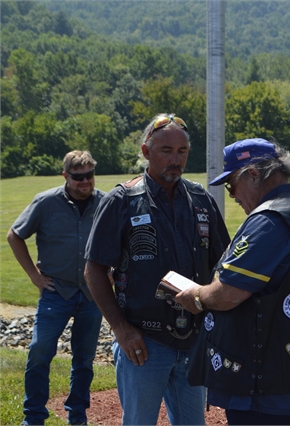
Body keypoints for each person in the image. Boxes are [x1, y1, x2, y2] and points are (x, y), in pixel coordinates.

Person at [175, 138, 290, 425]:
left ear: (252, 174)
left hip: (272, 388)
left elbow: (229, 293)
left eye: (231, 184)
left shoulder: (271, 219)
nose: (233, 195)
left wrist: (197, 295)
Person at [83, 113, 230, 425]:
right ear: (146, 151)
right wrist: (121, 329)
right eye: (166, 151)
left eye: (182, 152)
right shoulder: (122, 200)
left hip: (192, 338)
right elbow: (94, 270)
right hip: (144, 341)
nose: (175, 160)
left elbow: (224, 263)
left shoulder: (202, 199)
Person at [6, 151, 106, 425]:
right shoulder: (47, 202)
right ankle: (34, 416)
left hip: (91, 294)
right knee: (39, 351)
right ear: (66, 176)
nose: (85, 181)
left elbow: (122, 240)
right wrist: (34, 276)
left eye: (89, 175)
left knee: (84, 360)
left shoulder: (106, 202)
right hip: (55, 291)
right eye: (78, 177)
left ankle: (77, 414)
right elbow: (14, 235)